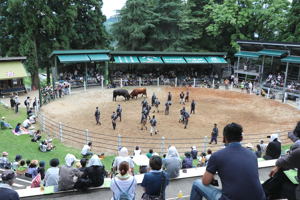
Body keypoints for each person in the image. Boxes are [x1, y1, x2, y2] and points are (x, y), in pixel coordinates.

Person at [189, 122, 265, 200]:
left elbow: (205, 182)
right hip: (259, 197)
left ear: (224, 138)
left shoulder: (217, 156)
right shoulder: (252, 155)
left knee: (196, 183)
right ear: (241, 138)